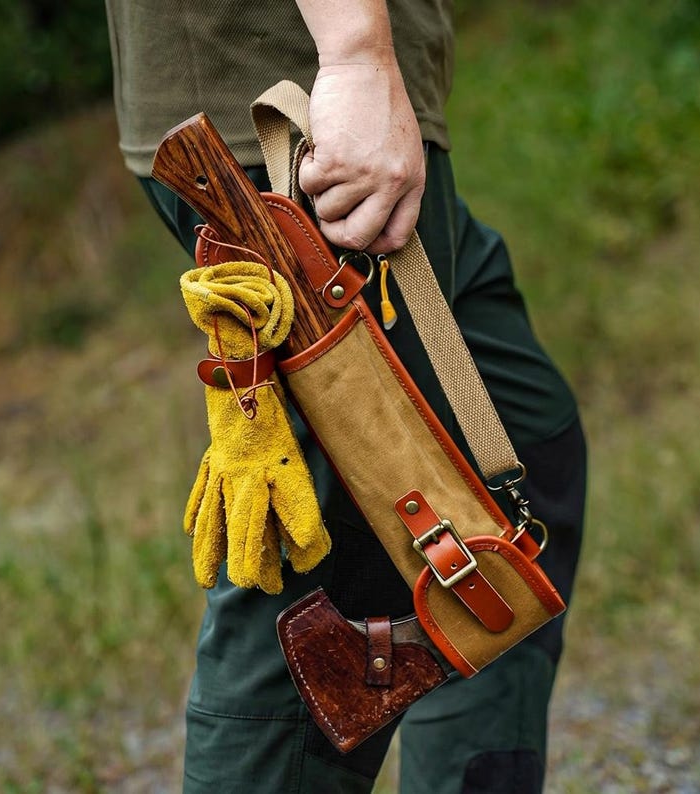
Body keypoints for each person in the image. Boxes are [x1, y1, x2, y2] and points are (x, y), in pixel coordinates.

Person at [104, 1, 587, 792]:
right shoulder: (340, 77)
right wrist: (357, 52)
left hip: (330, 116)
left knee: (527, 445)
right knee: (331, 587)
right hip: (312, 134)